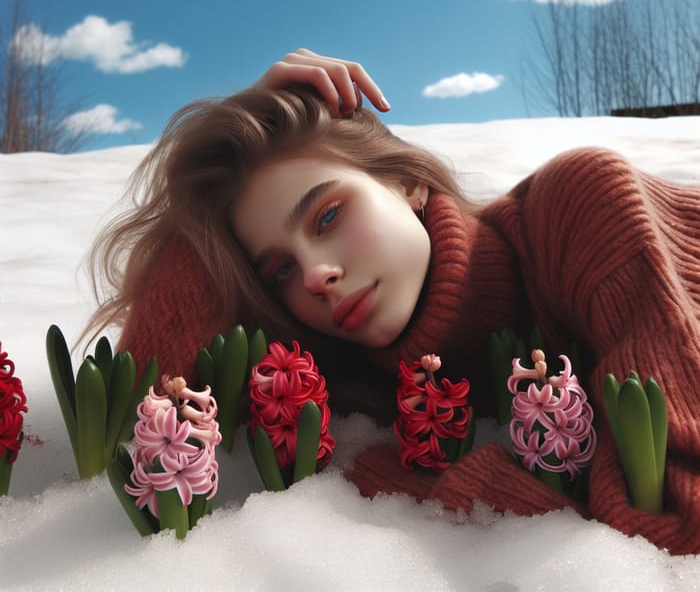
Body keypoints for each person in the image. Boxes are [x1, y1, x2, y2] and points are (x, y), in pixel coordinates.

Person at [84, 49, 700, 555]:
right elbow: (143, 416)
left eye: (328, 214)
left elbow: (676, 521)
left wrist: (442, 490)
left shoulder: (583, 210)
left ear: (407, 181)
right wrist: (220, 189)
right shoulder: (350, 389)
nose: (316, 276)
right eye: (279, 271)